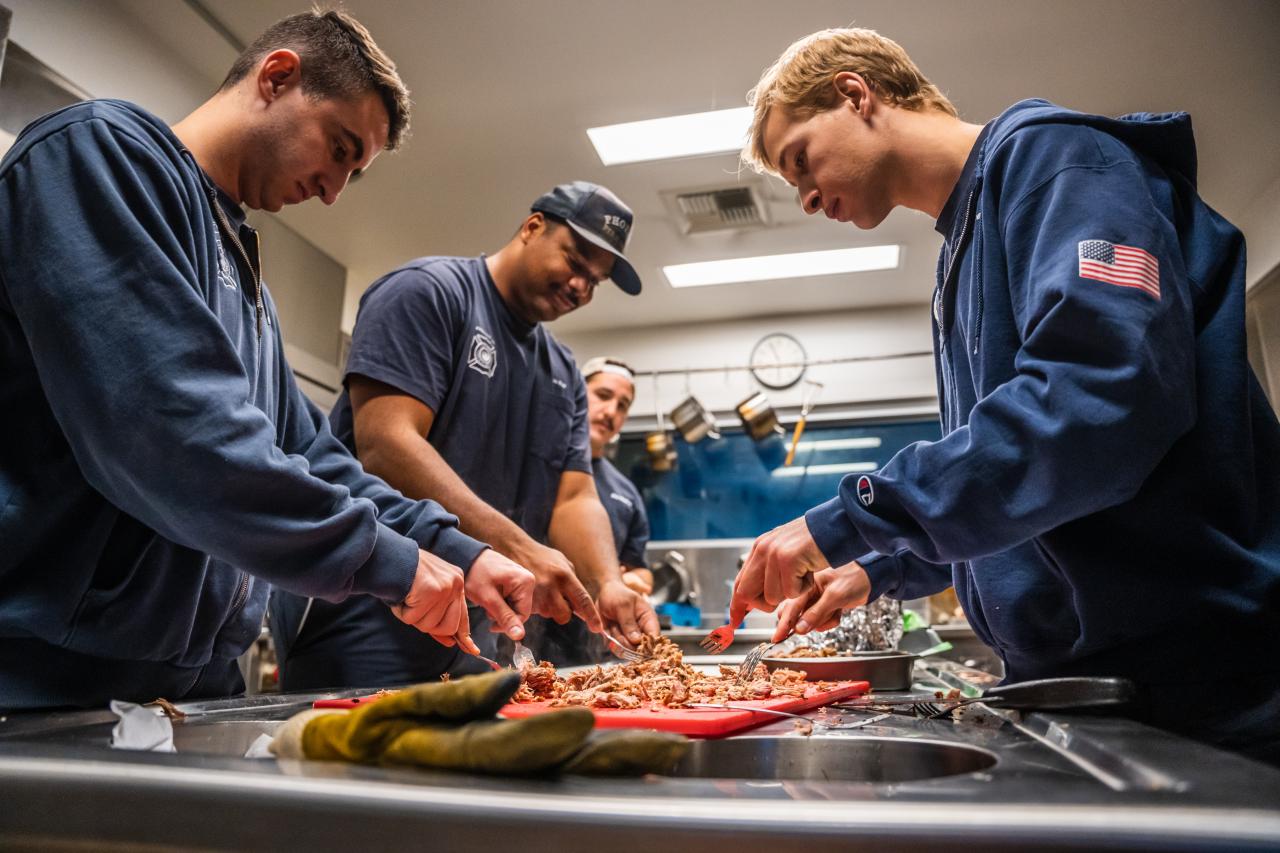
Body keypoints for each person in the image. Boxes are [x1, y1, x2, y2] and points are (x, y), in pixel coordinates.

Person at [729, 27, 1280, 763]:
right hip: (1086, 686)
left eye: (800, 159)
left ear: (855, 93)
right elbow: (1027, 493)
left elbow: (1099, 408)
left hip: (1197, 684)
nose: (803, 197)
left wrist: (855, 516)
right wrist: (880, 568)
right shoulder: (958, 258)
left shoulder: (1057, 162)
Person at [0, 9, 534, 711]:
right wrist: (391, 562)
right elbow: (175, 437)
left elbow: (315, 458)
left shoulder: (248, 284)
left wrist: (460, 550)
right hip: (46, 679)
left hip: (184, 685)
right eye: (339, 148)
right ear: (277, 77)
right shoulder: (101, 157)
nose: (334, 190)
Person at [272, 181, 660, 688]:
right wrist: (516, 546)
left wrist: (608, 583)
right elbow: (386, 444)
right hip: (366, 608)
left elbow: (573, 496)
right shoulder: (428, 293)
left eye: (596, 280)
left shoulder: (562, 367)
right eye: (575, 261)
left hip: (482, 631)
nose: (581, 286)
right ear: (532, 227)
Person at [582, 357, 653, 596]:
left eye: (622, 405)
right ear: (575, 393)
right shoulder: (535, 468)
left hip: (596, 629)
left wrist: (631, 579)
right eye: (603, 395)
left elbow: (639, 569)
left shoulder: (626, 493)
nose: (611, 411)